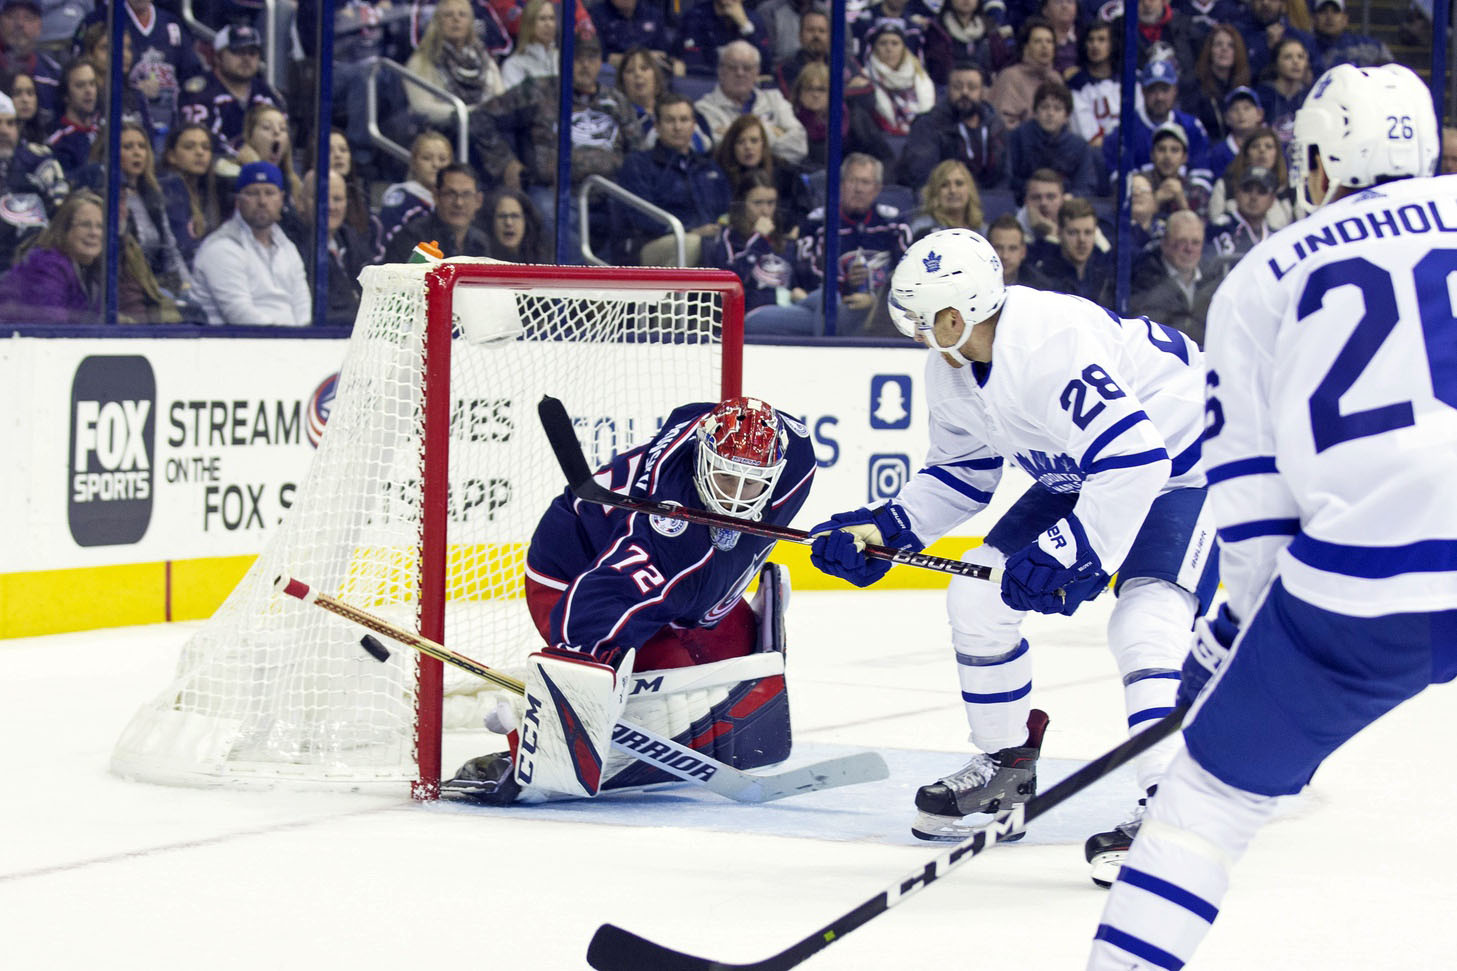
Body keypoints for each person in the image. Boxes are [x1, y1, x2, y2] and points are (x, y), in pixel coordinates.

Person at [1086, 62, 1453, 970]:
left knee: (1201, 808)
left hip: (1368, 590)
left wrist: (1205, 671)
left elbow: (1253, 539)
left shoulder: (1262, 277)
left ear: (1319, 164)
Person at [809, 228, 1217, 889]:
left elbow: (1138, 460)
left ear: (955, 314)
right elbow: (964, 473)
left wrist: (1071, 548)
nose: (913, 331)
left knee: (1144, 621)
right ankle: (1005, 764)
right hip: (1088, 473)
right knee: (977, 595)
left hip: (1188, 465)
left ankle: (1174, 813)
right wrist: (888, 527)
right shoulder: (951, 362)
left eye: (920, 318)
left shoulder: (1051, 346)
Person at [445, 396, 814, 805]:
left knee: (738, 678)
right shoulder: (662, 531)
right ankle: (517, 747)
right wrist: (573, 692)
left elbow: (691, 413)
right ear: (702, 458)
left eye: (754, 482)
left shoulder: (797, 456)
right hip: (570, 575)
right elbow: (591, 606)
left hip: (686, 590)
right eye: (726, 478)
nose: (738, 497)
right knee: (675, 692)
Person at [618, 91, 732, 266]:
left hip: (710, 240)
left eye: (684, 120)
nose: (678, 127)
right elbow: (642, 218)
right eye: (670, 120)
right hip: (654, 244)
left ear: (693, 125)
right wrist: (691, 231)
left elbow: (727, 210)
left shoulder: (709, 167)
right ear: (656, 126)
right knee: (692, 243)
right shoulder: (638, 164)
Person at [191, 161, 310, 326]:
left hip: (292, 343)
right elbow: (239, 314)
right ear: (238, 200)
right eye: (253, 193)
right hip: (237, 345)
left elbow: (302, 304)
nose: (262, 201)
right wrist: (290, 339)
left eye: (269, 193)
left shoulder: (288, 247)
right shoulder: (221, 247)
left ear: (281, 199)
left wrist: (304, 339)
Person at [702, 170, 806, 318]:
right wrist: (759, 240)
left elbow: (793, 283)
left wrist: (799, 293)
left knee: (819, 302)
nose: (765, 211)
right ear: (742, 204)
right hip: (748, 316)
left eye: (771, 203)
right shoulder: (729, 237)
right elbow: (731, 282)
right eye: (757, 203)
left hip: (786, 313)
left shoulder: (782, 241)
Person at [177, 25, 282, 160]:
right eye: (238, 52)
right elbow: (201, 143)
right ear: (218, 57)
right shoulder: (199, 93)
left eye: (252, 53)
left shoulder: (267, 93)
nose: (246, 59)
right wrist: (239, 156)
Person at [1102, 58, 1212, 187]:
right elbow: (1120, 187)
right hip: (1140, 204)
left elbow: (1202, 182)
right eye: (1153, 90)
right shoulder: (1123, 131)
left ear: (1175, 91)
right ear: (1143, 91)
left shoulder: (1192, 128)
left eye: (1165, 90)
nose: (1159, 97)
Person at [694, 40, 807, 166]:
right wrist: (772, 131)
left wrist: (733, 134)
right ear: (720, 71)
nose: (740, 73)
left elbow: (799, 145)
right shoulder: (704, 108)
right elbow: (718, 150)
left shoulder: (775, 99)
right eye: (732, 67)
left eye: (747, 68)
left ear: (757, 72)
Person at [898, 61, 1006, 189]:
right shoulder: (928, 124)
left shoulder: (995, 125)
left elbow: (1005, 175)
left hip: (989, 200)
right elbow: (923, 175)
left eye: (972, 87)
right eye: (957, 87)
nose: (965, 92)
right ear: (948, 90)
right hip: (944, 197)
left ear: (982, 92)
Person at [0, 188, 101, 322]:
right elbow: (52, 329)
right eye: (85, 225)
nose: (94, 233)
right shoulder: (47, 267)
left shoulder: (95, 270)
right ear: (64, 230)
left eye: (100, 226)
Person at [405, 0, 506, 125]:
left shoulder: (484, 59)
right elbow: (421, 107)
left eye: (462, 15)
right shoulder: (421, 61)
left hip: (487, 128)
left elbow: (500, 98)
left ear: (470, 22)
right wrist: (469, 113)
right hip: (443, 131)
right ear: (438, 22)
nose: (456, 19)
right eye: (448, 15)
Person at [1129, 208, 1218, 345]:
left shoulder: (1213, 280)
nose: (1189, 249)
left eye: (1196, 243)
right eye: (1182, 242)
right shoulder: (1142, 278)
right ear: (1165, 244)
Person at [293, 168, 367, 326]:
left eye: (338, 199)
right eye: (321, 198)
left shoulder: (351, 239)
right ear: (301, 201)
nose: (331, 207)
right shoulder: (294, 247)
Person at [790, 60, 891, 173]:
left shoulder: (855, 117)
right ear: (799, 92)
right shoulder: (790, 121)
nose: (815, 95)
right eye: (809, 89)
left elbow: (885, 158)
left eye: (822, 89)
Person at [1007, 79, 1098, 201]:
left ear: (1067, 116)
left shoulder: (1079, 147)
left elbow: (1086, 186)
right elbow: (1008, 179)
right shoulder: (1019, 137)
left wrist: (1068, 197)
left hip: (1065, 207)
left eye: (1057, 108)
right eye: (1044, 107)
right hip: (1024, 203)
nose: (1050, 113)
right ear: (1035, 112)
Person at [384, 161, 492, 262]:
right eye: (450, 193)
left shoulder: (481, 242)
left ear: (478, 200)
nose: (459, 203)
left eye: (466, 194)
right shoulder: (412, 237)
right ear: (436, 196)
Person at [378, 131, 452, 258]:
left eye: (442, 159)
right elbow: (387, 244)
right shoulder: (401, 197)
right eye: (427, 158)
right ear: (413, 162)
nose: (436, 165)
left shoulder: (456, 202)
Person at [158, 121, 220, 268]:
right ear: (171, 155)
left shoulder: (209, 191)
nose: (200, 153)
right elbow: (181, 249)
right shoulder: (168, 188)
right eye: (189, 147)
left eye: (206, 147)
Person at [1206, 123, 1293, 228]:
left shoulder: (1290, 189)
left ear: (1277, 154)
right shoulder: (1226, 185)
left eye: (1268, 147)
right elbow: (1215, 222)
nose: (1262, 151)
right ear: (1246, 154)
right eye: (1255, 146)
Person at [1030, 196, 1113, 305]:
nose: (1082, 240)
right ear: (1059, 233)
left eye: (1088, 232)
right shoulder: (1042, 274)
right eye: (1073, 233)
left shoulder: (1108, 271)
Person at [1180, 24, 1251, 144]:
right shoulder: (1194, 86)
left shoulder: (1244, 88)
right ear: (1210, 50)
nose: (1224, 49)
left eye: (1231, 45)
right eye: (1218, 44)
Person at [861, 21, 935, 136]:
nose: (889, 49)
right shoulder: (865, 78)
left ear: (903, 48)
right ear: (874, 48)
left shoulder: (921, 77)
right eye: (883, 43)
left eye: (895, 43)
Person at [989, 16, 1061, 129]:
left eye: (1049, 41)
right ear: (1026, 48)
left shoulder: (1055, 78)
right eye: (1038, 41)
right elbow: (1004, 124)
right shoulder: (1011, 77)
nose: (1045, 46)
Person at [676, 0, 772, 76]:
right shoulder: (696, 16)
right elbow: (692, 61)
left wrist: (745, 26)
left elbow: (765, 65)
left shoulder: (754, 20)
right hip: (705, 81)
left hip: (742, 81)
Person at [1206, 162, 1275, 267]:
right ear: (1236, 193)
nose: (1253, 197)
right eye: (1247, 190)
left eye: (1261, 192)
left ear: (1272, 200)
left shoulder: (1277, 237)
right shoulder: (1216, 231)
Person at [590, 0, 682, 76]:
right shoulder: (595, 15)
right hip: (613, 73)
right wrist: (645, 58)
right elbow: (600, 55)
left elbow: (662, 53)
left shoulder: (653, 14)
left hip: (650, 73)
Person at [234, 104, 302, 206]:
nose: (277, 131)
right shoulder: (235, 176)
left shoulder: (294, 183)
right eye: (266, 127)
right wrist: (257, 168)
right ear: (250, 136)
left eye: (283, 129)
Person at [0, 0, 60, 117]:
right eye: (12, 16)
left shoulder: (54, 75)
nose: (20, 24)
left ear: (40, 26)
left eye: (28, 18)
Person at [1143, 120, 1210, 219]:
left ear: (1184, 157)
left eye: (1174, 150)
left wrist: (1181, 201)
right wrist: (1156, 200)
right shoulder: (1137, 186)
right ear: (1152, 155)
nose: (1167, 156)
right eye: (1161, 149)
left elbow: (1200, 232)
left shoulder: (1197, 191)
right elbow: (1124, 226)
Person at [45, 56, 100, 176]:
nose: (89, 91)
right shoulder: (58, 141)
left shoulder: (104, 131)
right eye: (80, 85)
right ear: (66, 95)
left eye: (92, 84)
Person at [1068, 21, 1119, 148]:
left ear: (1112, 45)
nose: (1095, 45)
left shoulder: (1130, 80)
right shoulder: (1076, 86)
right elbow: (1090, 139)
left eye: (1101, 40)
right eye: (1090, 40)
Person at [1255, 35, 1312, 148]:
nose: (1296, 62)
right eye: (1288, 57)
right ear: (1275, 64)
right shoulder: (1262, 94)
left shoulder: (1310, 97)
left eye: (1300, 57)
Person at [909, 158, 984, 241]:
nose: (953, 190)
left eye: (959, 183)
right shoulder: (920, 228)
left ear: (970, 189)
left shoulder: (983, 231)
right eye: (944, 185)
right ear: (935, 192)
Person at [1205, 84, 1263, 181]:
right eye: (1234, 109)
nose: (1241, 113)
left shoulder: (1271, 147)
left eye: (1247, 108)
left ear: (1259, 114)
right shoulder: (1218, 153)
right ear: (1226, 118)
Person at [499, 0, 559, 89]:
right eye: (542, 19)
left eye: (551, 18)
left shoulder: (562, 59)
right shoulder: (513, 66)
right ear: (529, 23)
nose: (549, 24)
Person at [480, 185, 546, 262]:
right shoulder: (481, 257)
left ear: (526, 222)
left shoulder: (542, 260)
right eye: (502, 216)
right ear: (492, 222)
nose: (508, 223)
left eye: (515, 216)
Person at [985, 212, 1051, 288]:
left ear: (1023, 252)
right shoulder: (973, 282)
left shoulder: (1039, 286)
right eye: (998, 248)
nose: (1005, 256)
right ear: (987, 249)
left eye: (1012, 249)